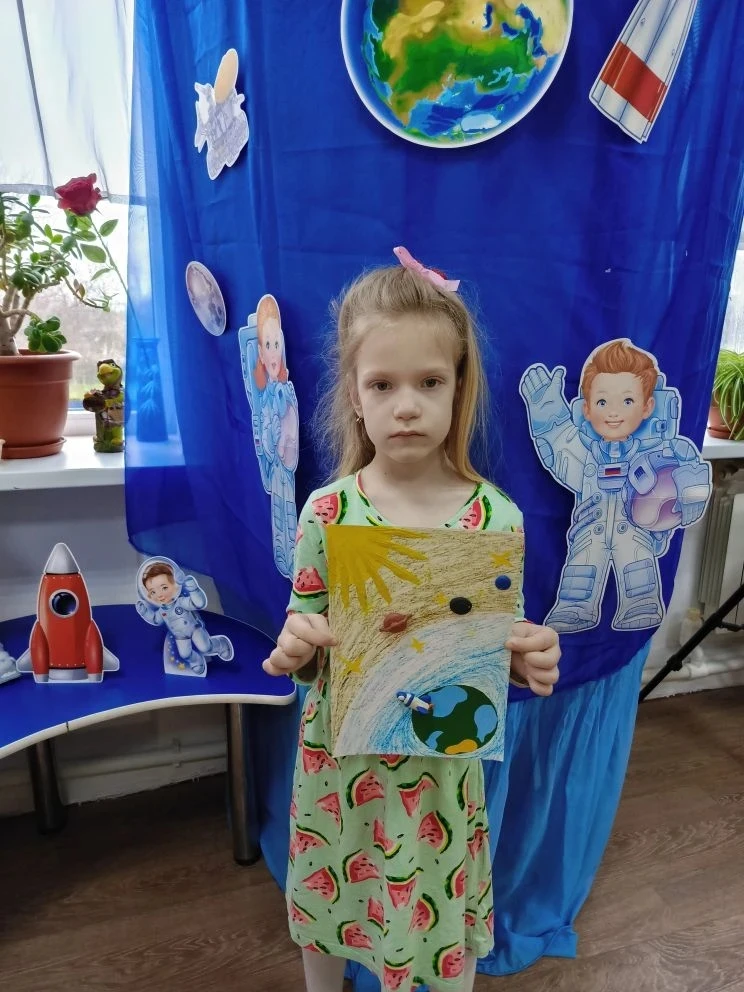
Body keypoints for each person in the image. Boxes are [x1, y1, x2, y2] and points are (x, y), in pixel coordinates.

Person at [262, 249, 561, 992]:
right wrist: (297, 647)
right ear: (355, 395)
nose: (406, 405)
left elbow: (497, 644)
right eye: (383, 384)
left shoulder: (495, 517)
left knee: (436, 899)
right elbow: (306, 630)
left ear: (459, 389)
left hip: (438, 774)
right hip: (342, 766)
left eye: (429, 382)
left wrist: (526, 656)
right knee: (331, 895)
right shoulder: (327, 512)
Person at [520, 338, 711, 633]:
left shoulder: (661, 455)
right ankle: (574, 606)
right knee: (583, 560)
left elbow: (690, 487)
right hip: (590, 527)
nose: (613, 412)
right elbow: (561, 450)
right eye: (602, 402)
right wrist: (548, 414)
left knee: (635, 556)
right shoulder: (587, 455)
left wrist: (689, 491)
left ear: (648, 407)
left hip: (635, 530)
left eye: (627, 401)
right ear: (586, 409)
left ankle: (641, 603)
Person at [136, 559, 233, 673]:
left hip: (194, 629)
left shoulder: (181, 602)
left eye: (164, 588)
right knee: (185, 654)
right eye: (153, 592)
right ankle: (196, 661)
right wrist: (144, 612)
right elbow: (155, 620)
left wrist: (193, 589)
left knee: (205, 647)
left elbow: (198, 603)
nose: (159, 595)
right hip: (180, 635)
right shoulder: (162, 611)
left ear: (175, 585)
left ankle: (220, 644)